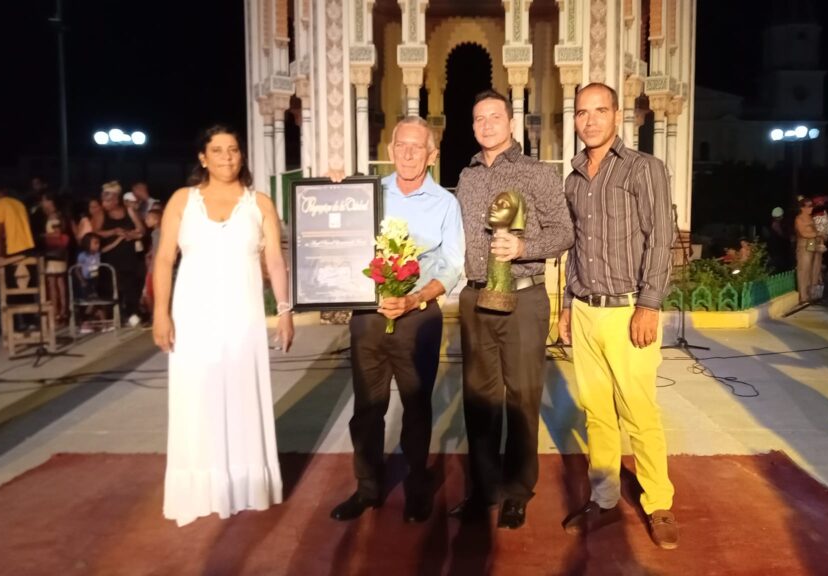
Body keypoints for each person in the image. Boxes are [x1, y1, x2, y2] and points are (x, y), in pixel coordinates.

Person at [555, 82, 678, 549]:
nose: (590, 120)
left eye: (599, 110)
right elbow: (575, 252)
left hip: (629, 311)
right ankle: (603, 499)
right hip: (586, 312)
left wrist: (648, 304)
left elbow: (660, 239)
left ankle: (659, 502)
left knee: (639, 411)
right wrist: (567, 307)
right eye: (583, 112)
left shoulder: (644, 169)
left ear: (616, 115)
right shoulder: (572, 180)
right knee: (597, 414)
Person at [152, 124, 293, 527]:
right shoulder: (183, 200)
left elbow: (275, 262)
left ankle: (246, 484)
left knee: (241, 395)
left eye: (233, 150)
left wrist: (284, 312)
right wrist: (160, 313)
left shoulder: (259, 203)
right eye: (218, 151)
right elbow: (164, 260)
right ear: (203, 157)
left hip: (242, 316)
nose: (227, 158)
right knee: (196, 399)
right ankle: (200, 487)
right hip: (192, 317)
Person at [326, 116, 465, 524]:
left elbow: (454, 265)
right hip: (368, 318)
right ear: (389, 151)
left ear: (432, 154)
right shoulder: (365, 194)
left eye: (417, 147)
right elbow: (336, 232)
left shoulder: (445, 204)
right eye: (401, 145)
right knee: (368, 408)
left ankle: (418, 487)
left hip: (418, 317)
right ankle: (367, 489)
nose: (408, 153)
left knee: (417, 407)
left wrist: (416, 298)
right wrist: (333, 190)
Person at [448, 89, 573, 530]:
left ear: (511, 122)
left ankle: (518, 491)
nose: (486, 125)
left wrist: (524, 246)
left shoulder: (538, 174)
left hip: (523, 296)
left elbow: (564, 233)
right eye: (478, 118)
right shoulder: (466, 177)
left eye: (494, 117)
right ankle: (484, 487)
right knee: (480, 399)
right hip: (476, 296)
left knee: (522, 397)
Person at [94, 182, 146, 326]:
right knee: (110, 286)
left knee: (131, 285)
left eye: (108, 200)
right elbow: (96, 232)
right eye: (103, 200)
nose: (105, 203)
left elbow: (141, 229)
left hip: (129, 255)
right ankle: (112, 316)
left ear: (116, 199)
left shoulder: (128, 210)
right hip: (110, 255)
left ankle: (132, 313)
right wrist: (114, 231)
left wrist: (133, 234)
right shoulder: (100, 213)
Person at [0, 184, 36, 315]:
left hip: (12, 252)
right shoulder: (19, 203)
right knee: (27, 287)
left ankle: (16, 322)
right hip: (28, 250)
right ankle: (29, 319)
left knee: (10, 290)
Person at [39, 192, 71, 324]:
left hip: (53, 253)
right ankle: (63, 311)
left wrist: (43, 236)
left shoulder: (53, 216)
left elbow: (57, 234)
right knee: (60, 282)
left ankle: (57, 312)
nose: (42, 203)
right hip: (60, 253)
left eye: (43, 200)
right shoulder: (60, 215)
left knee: (53, 283)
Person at [794, 197, 818, 304]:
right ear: (802, 208)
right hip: (803, 245)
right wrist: (816, 234)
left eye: (812, 206)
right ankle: (803, 296)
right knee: (803, 270)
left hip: (812, 245)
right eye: (808, 206)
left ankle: (808, 294)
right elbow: (803, 233)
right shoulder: (799, 219)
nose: (811, 208)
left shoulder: (811, 218)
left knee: (811, 271)